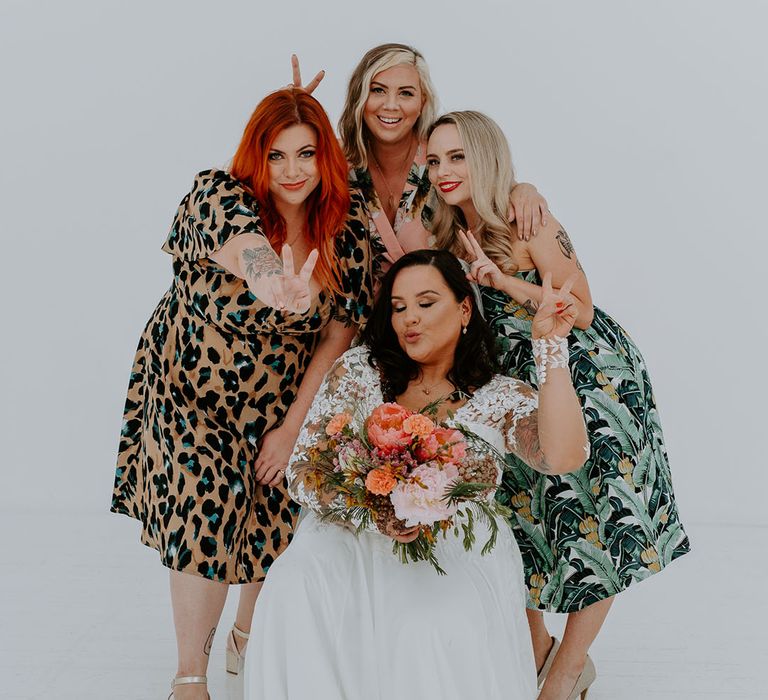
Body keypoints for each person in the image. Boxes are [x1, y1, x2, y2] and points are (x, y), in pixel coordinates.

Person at [110, 88, 373, 699]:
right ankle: (189, 677)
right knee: (204, 520)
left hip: (276, 400)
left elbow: (338, 334)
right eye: (276, 155)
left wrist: (292, 426)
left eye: (305, 154)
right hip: (188, 389)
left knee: (268, 518)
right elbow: (238, 245)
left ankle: (248, 639)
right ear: (256, 156)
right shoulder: (219, 194)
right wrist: (269, 278)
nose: (291, 171)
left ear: (325, 156)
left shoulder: (347, 227)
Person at [244, 249, 590, 700]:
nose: (410, 319)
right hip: (349, 530)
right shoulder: (361, 371)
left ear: (465, 308)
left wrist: (550, 346)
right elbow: (306, 468)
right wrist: (373, 513)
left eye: (426, 303)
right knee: (293, 586)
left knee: (424, 626)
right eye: (399, 307)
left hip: (454, 545)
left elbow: (563, 457)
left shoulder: (500, 396)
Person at [426, 110, 690, 700]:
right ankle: (538, 649)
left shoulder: (529, 220)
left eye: (458, 157)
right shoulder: (441, 228)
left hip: (585, 378)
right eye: (436, 159)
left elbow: (585, 309)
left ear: (486, 157)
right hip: (511, 391)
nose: (444, 171)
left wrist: (502, 283)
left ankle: (566, 674)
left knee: (592, 523)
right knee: (518, 522)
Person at [291, 44, 550, 286]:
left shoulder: (442, 157)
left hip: (442, 322)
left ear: (422, 101)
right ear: (360, 96)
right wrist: (289, 115)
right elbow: (270, 180)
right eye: (378, 90)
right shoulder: (334, 158)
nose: (391, 105)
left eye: (406, 93)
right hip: (361, 322)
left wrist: (523, 189)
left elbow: (489, 187)